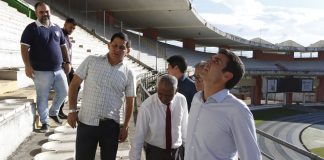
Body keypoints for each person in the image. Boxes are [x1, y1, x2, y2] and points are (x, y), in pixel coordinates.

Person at [67, 32, 136, 160]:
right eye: (114, 45)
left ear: (128, 51)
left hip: (110, 127)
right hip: (86, 123)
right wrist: (72, 110)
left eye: (122, 47)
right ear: (108, 45)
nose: (117, 49)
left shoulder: (129, 73)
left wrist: (125, 126)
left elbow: (130, 101)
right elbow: (74, 84)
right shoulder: (91, 61)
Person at [185, 49, 261, 160]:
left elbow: (252, 157)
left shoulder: (237, 110)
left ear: (226, 76)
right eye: (211, 59)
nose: (208, 62)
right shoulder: (197, 98)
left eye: (216, 61)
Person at [20, 1, 71, 132]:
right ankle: (44, 122)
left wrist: (67, 62)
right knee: (42, 96)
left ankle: (53, 112)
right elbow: (24, 48)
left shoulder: (56, 28)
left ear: (50, 12)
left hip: (58, 69)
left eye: (46, 11)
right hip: (40, 71)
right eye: (41, 12)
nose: (44, 14)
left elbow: (63, 47)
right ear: (36, 13)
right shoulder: (31, 28)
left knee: (64, 92)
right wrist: (27, 66)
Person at [129, 74, 188, 160]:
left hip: (177, 153)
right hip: (155, 153)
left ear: (176, 91)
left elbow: (185, 128)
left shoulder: (182, 100)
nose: (163, 98)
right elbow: (138, 137)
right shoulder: (147, 106)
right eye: (160, 93)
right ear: (156, 89)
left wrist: (188, 152)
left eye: (168, 95)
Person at [58, 18, 77, 119]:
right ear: (65, 24)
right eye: (70, 27)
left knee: (76, 86)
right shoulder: (60, 34)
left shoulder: (67, 37)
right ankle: (59, 110)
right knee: (64, 89)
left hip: (69, 66)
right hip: (62, 66)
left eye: (73, 28)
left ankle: (71, 108)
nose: (71, 30)